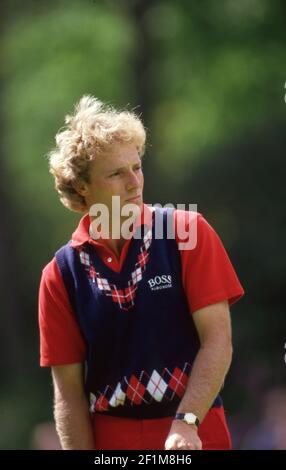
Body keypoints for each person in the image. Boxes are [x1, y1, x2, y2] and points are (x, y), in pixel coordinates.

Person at [38, 95, 244, 450]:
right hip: (112, 439)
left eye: (137, 167)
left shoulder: (187, 233)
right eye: (117, 173)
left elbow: (218, 342)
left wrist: (187, 422)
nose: (134, 183)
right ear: (82, 186)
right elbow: (68, 393)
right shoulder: (60, 273)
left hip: (194, 430)